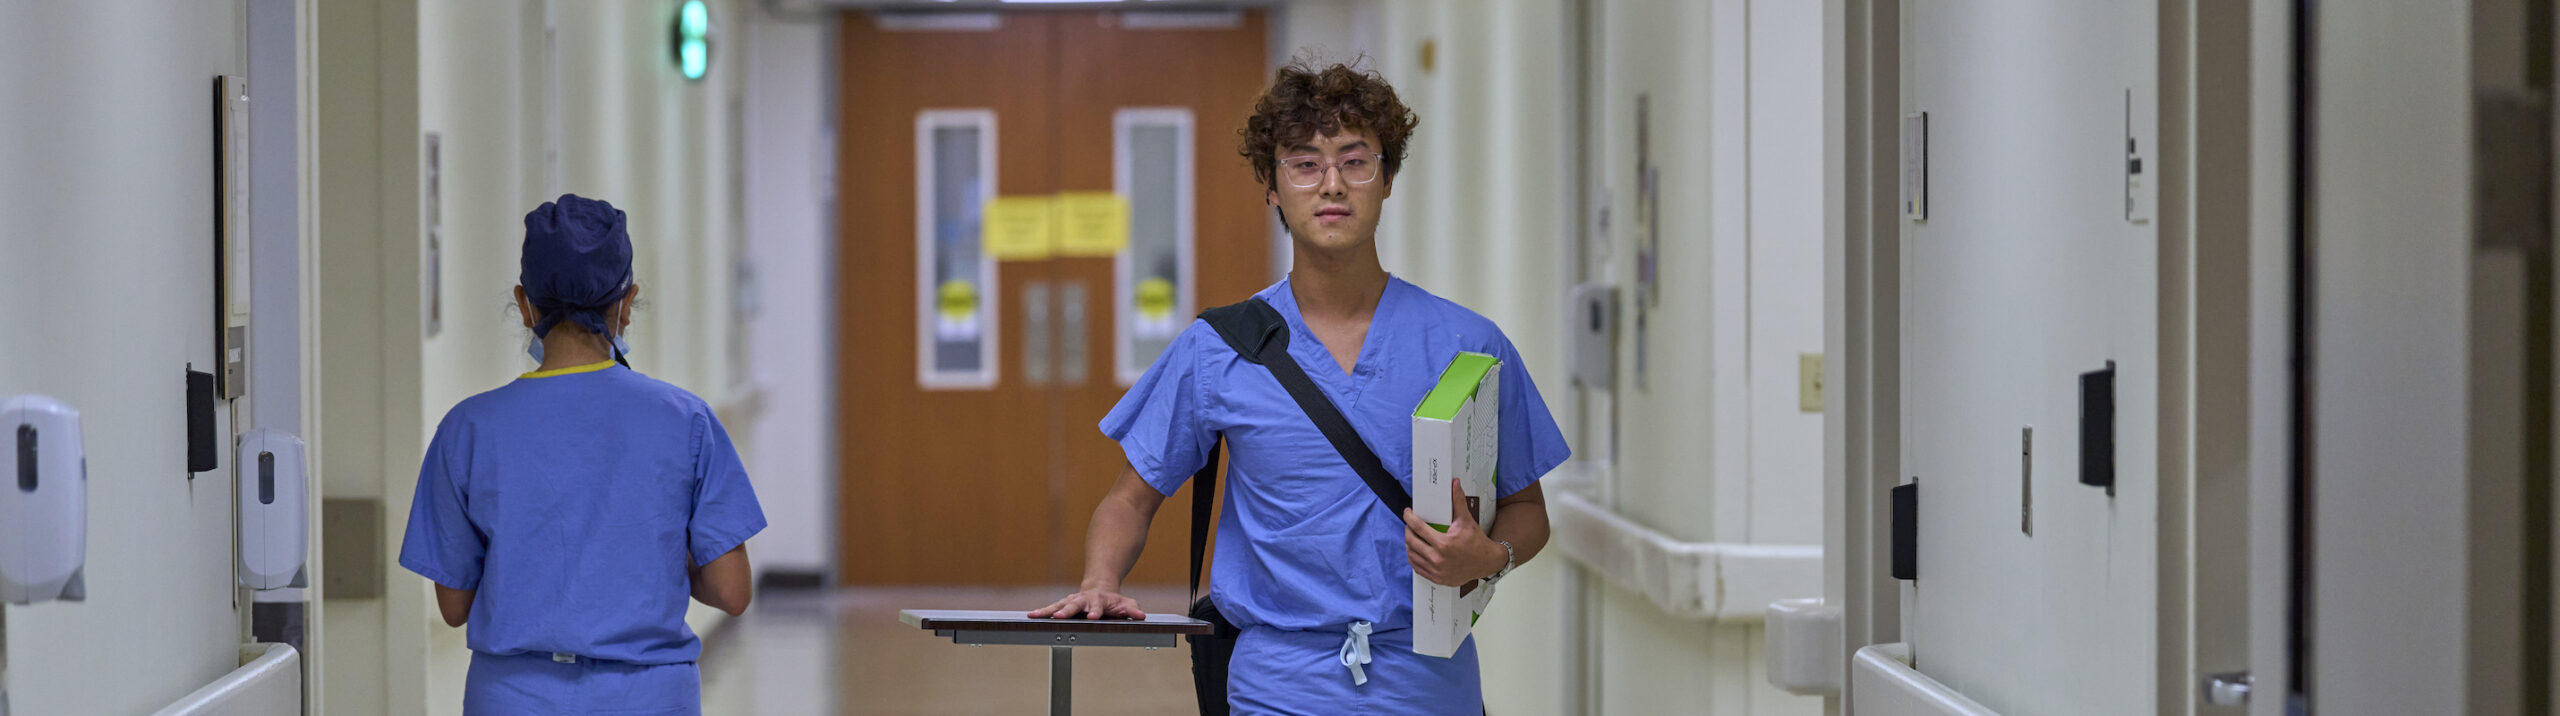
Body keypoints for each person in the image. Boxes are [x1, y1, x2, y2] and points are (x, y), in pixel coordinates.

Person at [1030, 61, 1572, 713]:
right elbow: (1130, 499)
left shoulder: (1467, 344)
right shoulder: (1221, 348)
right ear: (1271, 185)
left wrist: (1489, 556)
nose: (1332, 185)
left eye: (1355, 160)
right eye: (1305, 163)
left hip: (1429, 681)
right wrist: (1099, 580)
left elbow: (1529, 510)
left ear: (1388, 178)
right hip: (1278, 682)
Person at [398, 194, 766, 715]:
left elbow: (454, 605)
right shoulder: (687, 421)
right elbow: (732, 592)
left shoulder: (467, 428)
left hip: (511, 698)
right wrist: (652, 557)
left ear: (525, 305)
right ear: (625, 305)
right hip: (649, 698)